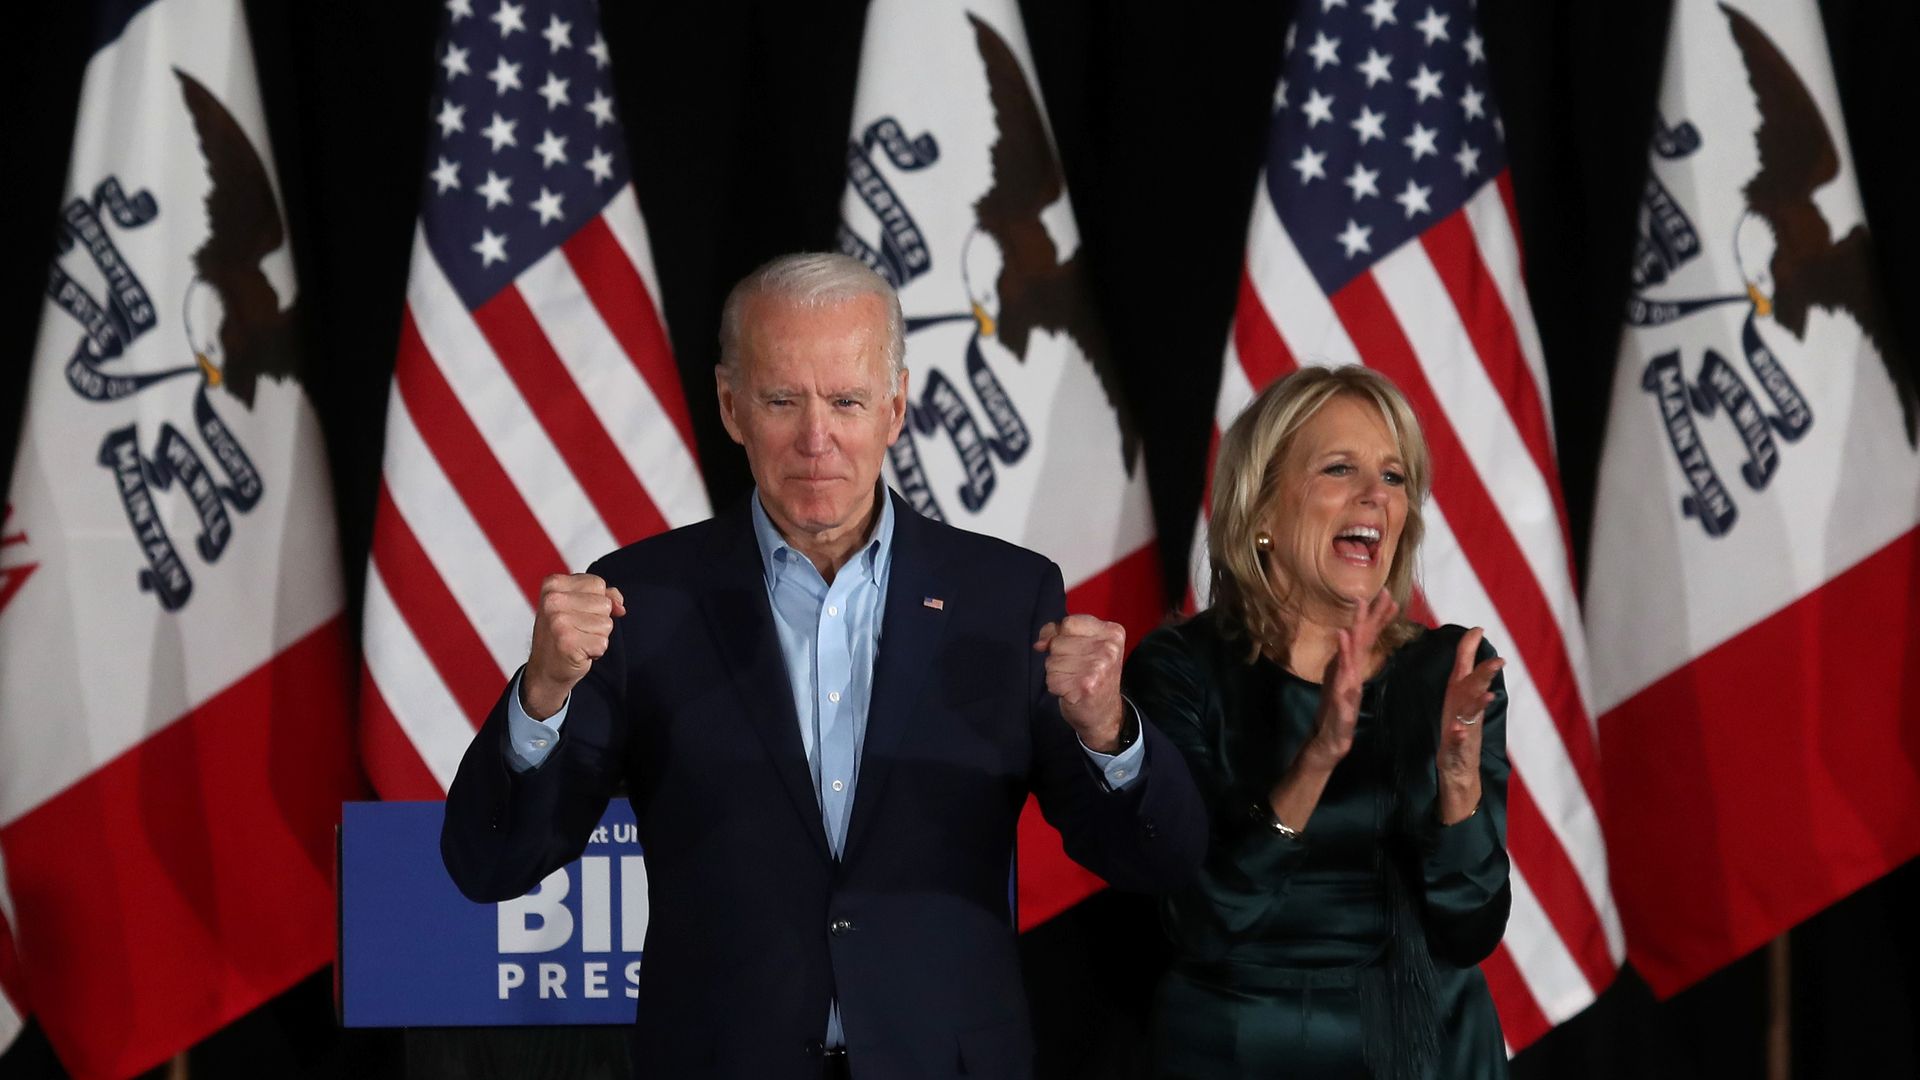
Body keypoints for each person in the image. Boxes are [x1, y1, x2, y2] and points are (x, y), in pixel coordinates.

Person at [439, 252, 1207, 1080]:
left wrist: (1108, 733)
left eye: (846, 401)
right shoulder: (644, 601)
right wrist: (544, 694)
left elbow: (1158, 860)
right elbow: (490, 863)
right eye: (782, 401)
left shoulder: (1006, 599)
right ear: (731, 406)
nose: (817, 439)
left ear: (895, 407)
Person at [1127, 365, 1511, 1079]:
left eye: (1394, 477)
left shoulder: (1448, 671)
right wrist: (1319, 755)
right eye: (1340, 468)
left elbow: (1471, 932)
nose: (1376, 496)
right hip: (1239, 1051)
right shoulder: (1182, 669)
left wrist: (1458, 778)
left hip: (1425, 1053)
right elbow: (1203, 917)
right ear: (1262, 511)